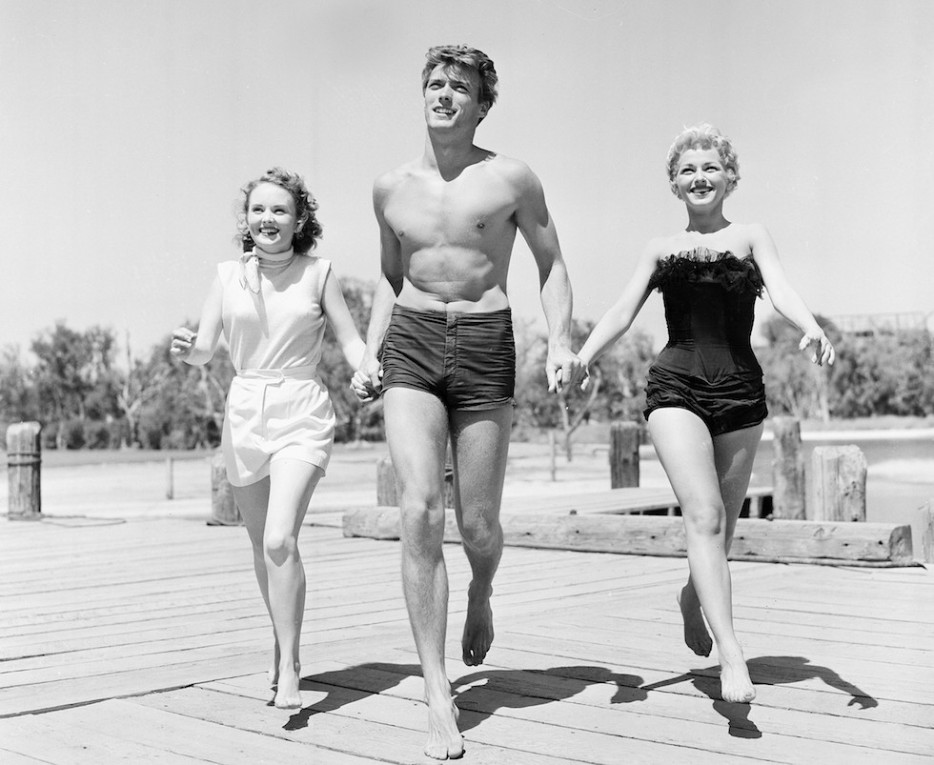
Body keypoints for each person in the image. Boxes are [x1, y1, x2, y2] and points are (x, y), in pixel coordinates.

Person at [352, 45, 583, 759]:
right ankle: (434, 687)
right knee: (420, 508)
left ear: (482, 104)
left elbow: (552, 263)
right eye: (435, 83)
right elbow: (392, 279)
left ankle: (482, 588)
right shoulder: (390, 187)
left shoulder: (511, 178)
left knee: (478, 523)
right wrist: (369, 349)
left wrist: (564, 341)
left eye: (460, 86)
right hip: (413, 345)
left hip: (486, 343)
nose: (445, 94)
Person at [577, 124, 834, 704]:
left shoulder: (751, 235)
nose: (700, 177)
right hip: (677, 386)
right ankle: (733, 653)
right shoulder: (659, 249)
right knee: (704, 517)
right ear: (674, 183)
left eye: (711, 167)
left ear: (730, 176)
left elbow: (783, 289)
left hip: (742, 391)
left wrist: (810, 325)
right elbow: (622, 309)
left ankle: (692, 597)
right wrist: (584, 356)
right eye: (689, 170)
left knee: (724, 531)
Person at [171, 168, 365, 710]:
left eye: (280, 210)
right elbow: (205, 349)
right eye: (258, 210)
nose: (268, 219)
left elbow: (351, 342)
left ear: (300, 219)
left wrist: (366, 371)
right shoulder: (227, 276)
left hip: (301, 410)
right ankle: (282, 648)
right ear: (246, 220)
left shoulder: (318, 274)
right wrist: (187, 347)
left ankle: (291, 661)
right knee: (260, 545)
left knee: (281, 538)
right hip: (245, 415)